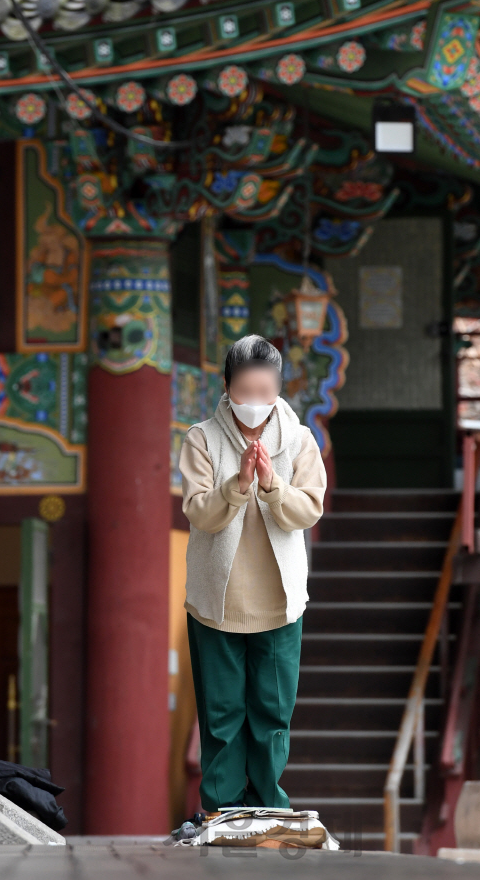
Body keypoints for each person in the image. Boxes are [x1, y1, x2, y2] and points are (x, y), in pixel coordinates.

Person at [179, 334, 327, 812]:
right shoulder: (200, 438)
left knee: (272, 712)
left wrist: (270, 485)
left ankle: (269, 805)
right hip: (216, 602)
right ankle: (223, 807)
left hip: (280, 602)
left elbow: (308, 510)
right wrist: (237, 485)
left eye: (265, 391)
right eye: (245, 391)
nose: (255, 402)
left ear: (278, 390)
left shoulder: (300, 439)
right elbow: (199, 512)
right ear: (226, 388)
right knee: (221, 714)